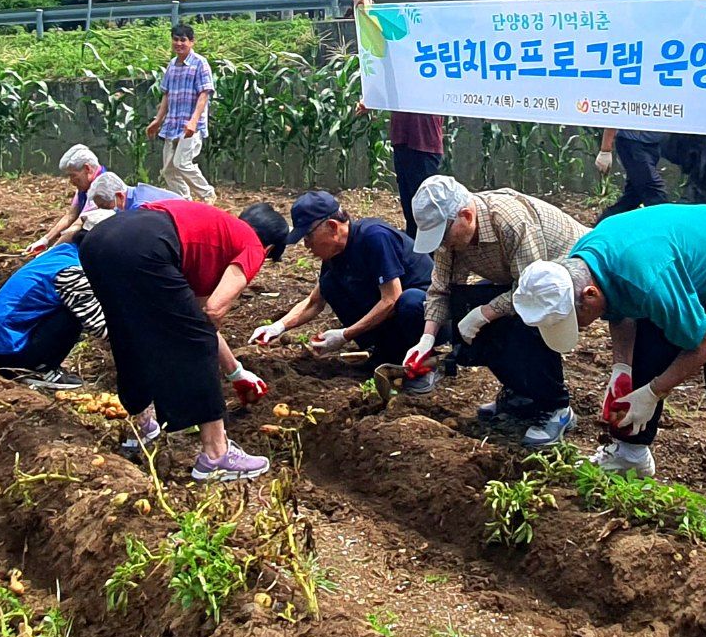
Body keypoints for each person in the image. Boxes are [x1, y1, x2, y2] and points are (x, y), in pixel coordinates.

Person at [514, 204, 706, 541]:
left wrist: (653, 392)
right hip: (674, 259)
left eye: (575, 319)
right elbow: (621, 310)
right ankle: (631, 453)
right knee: (652, 338)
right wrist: (622, 368)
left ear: (588, 295)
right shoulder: (582, 262)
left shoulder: (646, 278)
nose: (579, 326)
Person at [78, 197, 289, 481]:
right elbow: (212, 313)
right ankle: (217, 454)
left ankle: (143, 428)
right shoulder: (252, 245)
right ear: (269, 249)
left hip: (99, 240)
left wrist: (236, 372)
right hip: (144, 245)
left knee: (129, 329)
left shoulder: (215, 231)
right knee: (196, 341)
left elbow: (198, 310)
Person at [408, 175, 583, 446]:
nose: (441, 243)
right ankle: (521, 394)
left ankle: (556, 407)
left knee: (525, 320)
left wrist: (484, 314)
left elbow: (532, 291)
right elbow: (440, 289)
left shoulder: (509, 220)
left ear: (465, 215)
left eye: (443, 234)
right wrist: (426, 339)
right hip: (518, 281)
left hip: (564, 279)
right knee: (469, 307)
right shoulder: (451, 239)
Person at [250, 191, 435, 389]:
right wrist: (277, 327)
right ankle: (386, 354)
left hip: (429, 316)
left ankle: (424, 364)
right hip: (395, 317)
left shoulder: (374, 236)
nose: (306, 245)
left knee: (410, 300)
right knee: (331, 285)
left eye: (308, 237)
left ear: (332, 227)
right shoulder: (333, 254)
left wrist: (344, 335)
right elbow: (315, 302)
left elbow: (391, 299)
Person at [0, 243, 107, 391]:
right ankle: (39, 369)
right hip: (9, 352)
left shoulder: (64, 252)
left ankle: (34, 360)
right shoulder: (72, 273)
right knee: (76, 312)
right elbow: (100, 327)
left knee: (76, 304)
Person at [146, 22, 216, 203]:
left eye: (183, 40)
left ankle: (207, 194)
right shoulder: (172, 65)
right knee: (168, 169)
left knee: (182, 163)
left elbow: (204, 94)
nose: (178, 43)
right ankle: (184, 201)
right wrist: (158, 120)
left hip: (191, 124)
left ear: (191, 42)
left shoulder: (200, 63)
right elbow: (167, 95)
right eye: (175, 40)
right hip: (172, 123)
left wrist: (193, 121)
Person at [24, 144, 104, 255]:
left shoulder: (102, 189)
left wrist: (51, 251)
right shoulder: (85, 186)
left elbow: (79, 223)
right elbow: (70, 216)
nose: (71, 181)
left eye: (73, 175)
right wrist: (45, 240)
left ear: (87, 169)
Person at [388, 111, 444, 233]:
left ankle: (426, 250)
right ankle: (413, 248)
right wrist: (372, 100)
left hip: (424, 139)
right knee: (409, 208)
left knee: (425, 209)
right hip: (401, 138)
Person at [593, 128, 667, 217]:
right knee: (655, 194)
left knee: (632, 197)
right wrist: (605, 150)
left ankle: (602, 226)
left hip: (653, 144)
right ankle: (663, 227)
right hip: (632, 143)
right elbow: (613, 118)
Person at [84, 170, 181, 217]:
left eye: (105, 206)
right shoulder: (136, 193)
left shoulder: (140, 207)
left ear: (119, 196)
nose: (103, 210)